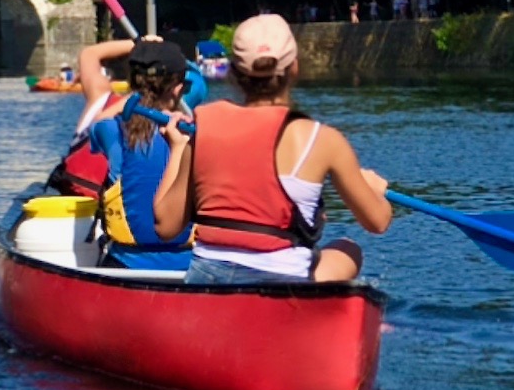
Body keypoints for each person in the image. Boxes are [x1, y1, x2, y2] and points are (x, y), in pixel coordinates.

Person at [154, 14, 391, 285]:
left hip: (207, 283)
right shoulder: (323, 140)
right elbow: (378, 222)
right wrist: (373, 190)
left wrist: (179, 148)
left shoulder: (203, 125)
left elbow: (166, 226)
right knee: (348, 250)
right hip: (281, 290)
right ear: (294, 69)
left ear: (234, 73)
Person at [83, 39, 195, 269]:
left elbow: (94, 125)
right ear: (177, 88)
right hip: (189, 266)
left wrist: (129, 102)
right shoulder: (198, 133)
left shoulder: (110, 129)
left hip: (127, 264)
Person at [47, 38, 143, 198]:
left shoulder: (101, 97)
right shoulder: (171, 119)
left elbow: (89, 54)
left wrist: (138, 43)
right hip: (111, 203)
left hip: (74, 194)